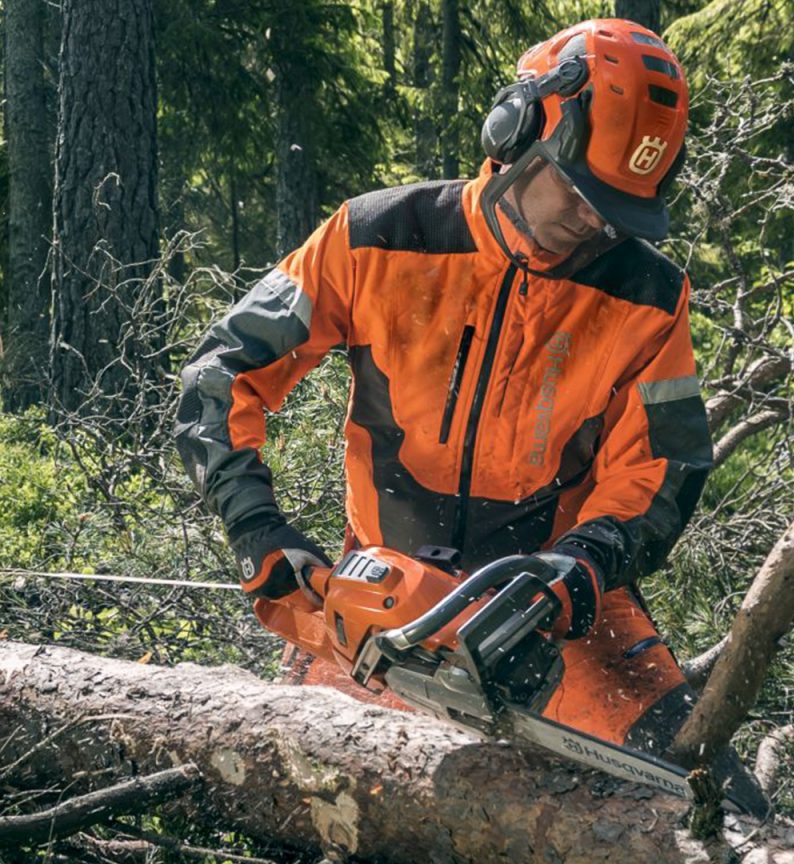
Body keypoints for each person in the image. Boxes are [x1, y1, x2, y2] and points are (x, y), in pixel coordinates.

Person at [175, 19, 714, 761]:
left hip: (550, 610)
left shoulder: (647, 294)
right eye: (580, 192)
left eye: (615, 211)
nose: (593, 222)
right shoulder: (377, 236)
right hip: (382, 597)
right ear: (517, 128)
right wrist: (256, 527)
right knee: (307, 798)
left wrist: (584, 568)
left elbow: (663, 467)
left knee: (703, 793)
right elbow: (223, 372)